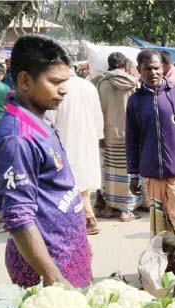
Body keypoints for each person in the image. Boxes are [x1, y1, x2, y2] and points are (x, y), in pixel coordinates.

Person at [0, 34, 92, 288]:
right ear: (24, 80)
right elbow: (18, 217)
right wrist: (51, 274)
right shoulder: (17, 139)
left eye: (65, 81)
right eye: (55, 82)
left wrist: (81, 239)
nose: (64, 89)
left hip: (68, 253)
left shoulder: (40, 119)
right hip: (46, 267)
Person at [126, 49, 175, 237]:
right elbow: (132, 140)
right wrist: (133, 174)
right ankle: (163, 265)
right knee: (159, 228)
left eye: (156, 68)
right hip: (152, 175)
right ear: (139, 70)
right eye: (147, 69)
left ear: (162, 67)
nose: (152, 72)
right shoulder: (135, 102)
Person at [55, 66, 104, 235]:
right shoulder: (88, 86)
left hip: (67, 137)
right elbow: (99, 116)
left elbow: (52, 118)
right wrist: (98, 134)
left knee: (72, 180)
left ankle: (85, 218)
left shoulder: (59, 87)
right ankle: (88, 217)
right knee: (83, 179)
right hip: (88, 137)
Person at [96, 52, 141, 222]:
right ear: (125, 65)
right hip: (131, 135)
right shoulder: (133, 83)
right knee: (129, 172)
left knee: (110, 173)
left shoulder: (102, 84)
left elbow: (98, 111)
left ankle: (109, 207)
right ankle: (126, 210)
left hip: (109, 134)